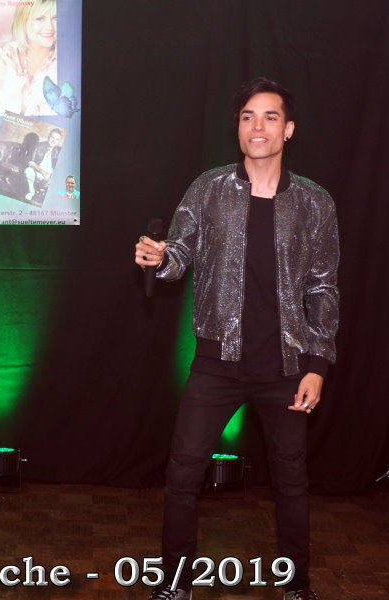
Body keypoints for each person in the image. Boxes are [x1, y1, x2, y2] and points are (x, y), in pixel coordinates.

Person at [135, 78, 339, 600]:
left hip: (286, 368)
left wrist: (317, 365)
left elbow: (323, 287)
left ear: (288, 129)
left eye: (270, 116)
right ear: (238, 127)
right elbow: (179, 254)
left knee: (291, 481)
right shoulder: (209, 189)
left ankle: (297, 586)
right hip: (216, 364)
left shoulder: (315, 202)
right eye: (248, 116)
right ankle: (175, 583)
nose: (258, 126)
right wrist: (158, 259)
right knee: (183, 475)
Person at [0, 0, 57, 117]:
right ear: (23, 21)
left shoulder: (66, 59)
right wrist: (14, 75)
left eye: (55, 18)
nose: (49, 27)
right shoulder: (4, 55)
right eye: (40, 19)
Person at [24, 128, 62, 203]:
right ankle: (31, 192)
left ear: (59, 141)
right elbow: (30, 162)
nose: (54, 141)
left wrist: (51, 176)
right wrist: (43, 172)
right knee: (28, 171)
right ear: (48, 137)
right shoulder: (38, 145)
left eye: (57, 139)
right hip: (37, 171)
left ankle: (45, 194)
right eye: (52, 137)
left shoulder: (59, 151)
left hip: (49, 176)